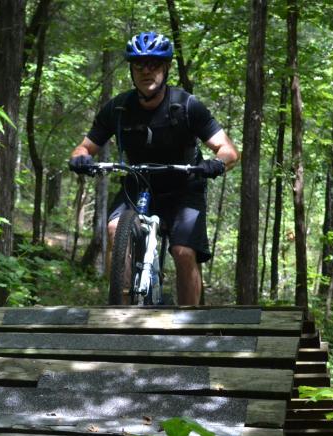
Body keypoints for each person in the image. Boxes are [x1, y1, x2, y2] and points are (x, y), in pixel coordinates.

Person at [68, 31, 239, 306]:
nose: (146, 71)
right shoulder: (119, 108)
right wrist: (80, 158)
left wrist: (215, 163)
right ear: (132, 70)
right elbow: (85, 147)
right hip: (138, 182)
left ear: (166, 68)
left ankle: (189, 324)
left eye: (154, 64)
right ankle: (120, 313)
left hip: (184, 184)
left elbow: (229, 150)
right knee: (114, 229)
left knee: (183, 252)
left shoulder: (186, 105)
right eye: (139, 65)